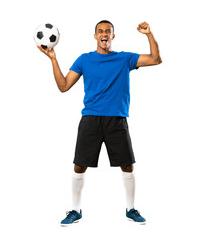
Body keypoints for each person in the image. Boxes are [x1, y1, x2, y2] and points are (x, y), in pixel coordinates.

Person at [37, 20, 162, 226]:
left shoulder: (124, 59)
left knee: (127, 165)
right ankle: (75, 210)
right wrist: (53, 59)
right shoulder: (84, 60)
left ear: (113, 36)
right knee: (79, 166)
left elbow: (156, 59)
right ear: (95, 36)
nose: (104, 34)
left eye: (108, 31)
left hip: (117, 119)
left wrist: (149, 34)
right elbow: (63, 86)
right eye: (100, 31)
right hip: (91, 119)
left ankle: (130, 209)